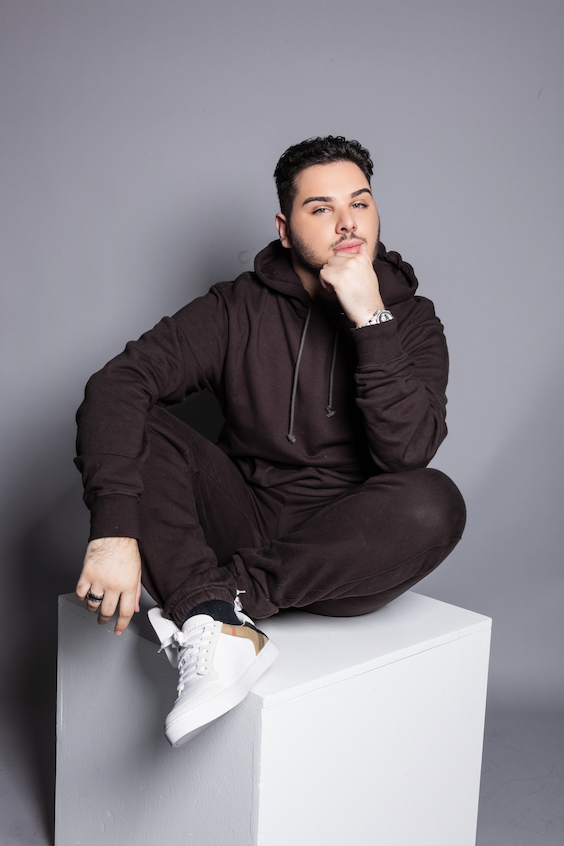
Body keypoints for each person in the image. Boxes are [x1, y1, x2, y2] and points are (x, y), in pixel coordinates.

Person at [75, 136, 466, 747]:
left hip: (345, 555)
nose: (346, 223)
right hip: (241, 522)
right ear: (285, 230)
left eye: (359, 203)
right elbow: (119, 383)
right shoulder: (238, 307)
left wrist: (371, 320)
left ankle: (216, 606)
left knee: (434, 502)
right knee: (137, 420)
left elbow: (407, 453)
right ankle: (215, 620)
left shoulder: (412, 321)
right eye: (321, 208)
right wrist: (113, 531)